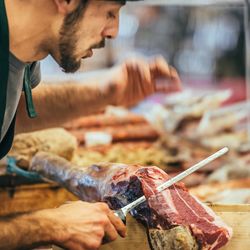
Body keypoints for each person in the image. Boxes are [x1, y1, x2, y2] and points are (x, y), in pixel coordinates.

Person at [0, 0, 181, 249]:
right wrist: (47, 225)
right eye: (110, 12)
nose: (113, 31)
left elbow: (14, 110)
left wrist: (105, 92)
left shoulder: (23, 49)